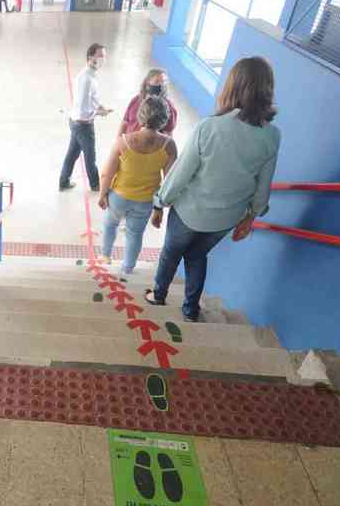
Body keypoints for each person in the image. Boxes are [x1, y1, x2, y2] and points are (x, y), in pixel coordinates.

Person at [145, 57, 281, 322]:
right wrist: (250, 217)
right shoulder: (272, 135)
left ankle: (158, 295)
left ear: (233, 86)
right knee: (197, 256)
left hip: (189, 214)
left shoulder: (209, 127)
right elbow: (264, 185)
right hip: (226, 219)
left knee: (171, 253)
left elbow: (180, 174)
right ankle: (190, 310)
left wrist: (160, 203)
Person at [97, 96, 177, 277]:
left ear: (140, 116)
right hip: (146, 201)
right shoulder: (169, 145)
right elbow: (169, 181)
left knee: (110, 224)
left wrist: (102, 195)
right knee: (135, 234)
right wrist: (159, 209)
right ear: (165, 119)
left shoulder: (123, 142)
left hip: (119, 197)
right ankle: (127, 267)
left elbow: (107, 173)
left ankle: (105, 256)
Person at [59, 43, 114, 192]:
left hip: (76, 122)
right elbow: (83, 107)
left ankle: (63, 181)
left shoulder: (90, 75)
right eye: (100, 56)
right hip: (83, 124)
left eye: (104, 56)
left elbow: (91, 98)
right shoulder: (87, 79)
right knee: (90, 157)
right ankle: (95, 184)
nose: (103, 59)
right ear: (91, 57)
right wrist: (99, 113)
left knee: (72, 154)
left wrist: (100, 107)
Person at [117, 68, 178, 138]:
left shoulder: (169, 108)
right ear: (147, 82)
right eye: (157, 82)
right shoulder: (136, 100)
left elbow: (169, 133)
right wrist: (118, 141)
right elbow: (124, 123)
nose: (161, 86)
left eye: (164, 82)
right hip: (128, 145)